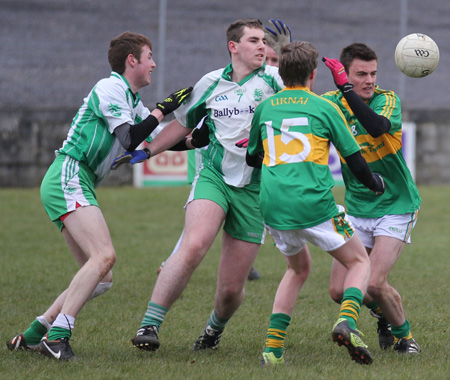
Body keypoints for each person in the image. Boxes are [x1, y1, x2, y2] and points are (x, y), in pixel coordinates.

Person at [112, 18, 312, 353]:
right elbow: (182, 124)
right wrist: (147, 150)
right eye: (253, 40)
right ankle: (150, 324)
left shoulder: (275, 81)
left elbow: (303, 106)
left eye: (264, 41)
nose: (262, 46)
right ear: (233, 47)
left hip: (255, 189)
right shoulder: (210, 83)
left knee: (231, 291)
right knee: (194, 244)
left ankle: (212, 331)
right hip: (215, 178)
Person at [6, 31, 194, 361]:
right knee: (104, 256)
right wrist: (163, 108)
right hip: (69, 174)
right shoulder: (110, 87)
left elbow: (158, 138)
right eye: (149, 56)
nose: (154, 63)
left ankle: (37, 333)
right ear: (131, 61)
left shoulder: (131, 100)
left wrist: (196, 135)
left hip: (80, 180)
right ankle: (58, 337)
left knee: (101, 277)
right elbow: (129, 137)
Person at [246, 40, 387, 366]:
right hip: (313, 204)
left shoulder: (266, 107)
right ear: (313, 74)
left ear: (280, 74)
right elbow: (354, 159)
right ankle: (348, 321)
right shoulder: (325, 107)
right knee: (358, 263)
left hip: (273, 206)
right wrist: (374, 183)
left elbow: (253, 156)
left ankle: (272, 349)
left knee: (297, 269)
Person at [154, 32, 284, 281]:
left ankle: (245, 257)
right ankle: (172, 261)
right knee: (203, 223)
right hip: (214, 164)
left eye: (276, 59)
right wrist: (151, 147)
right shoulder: (217, 85)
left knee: (247, 213)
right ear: (235, 49)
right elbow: (193, 130)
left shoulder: (273, 82)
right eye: (269, 58)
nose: (272, 64)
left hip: (251, 171)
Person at [321, 43, 421, 354]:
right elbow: (301, 105)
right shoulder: (331, 103)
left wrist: (347, 90)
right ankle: (382, 313)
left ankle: (406, 338)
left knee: (374, 283)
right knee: (339, 290)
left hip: (396, 205)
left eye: (373, 73)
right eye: (360, 74)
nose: (369, 80)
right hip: (359, 207)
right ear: (345, 74)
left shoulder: (387, 100)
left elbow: (377, 127)